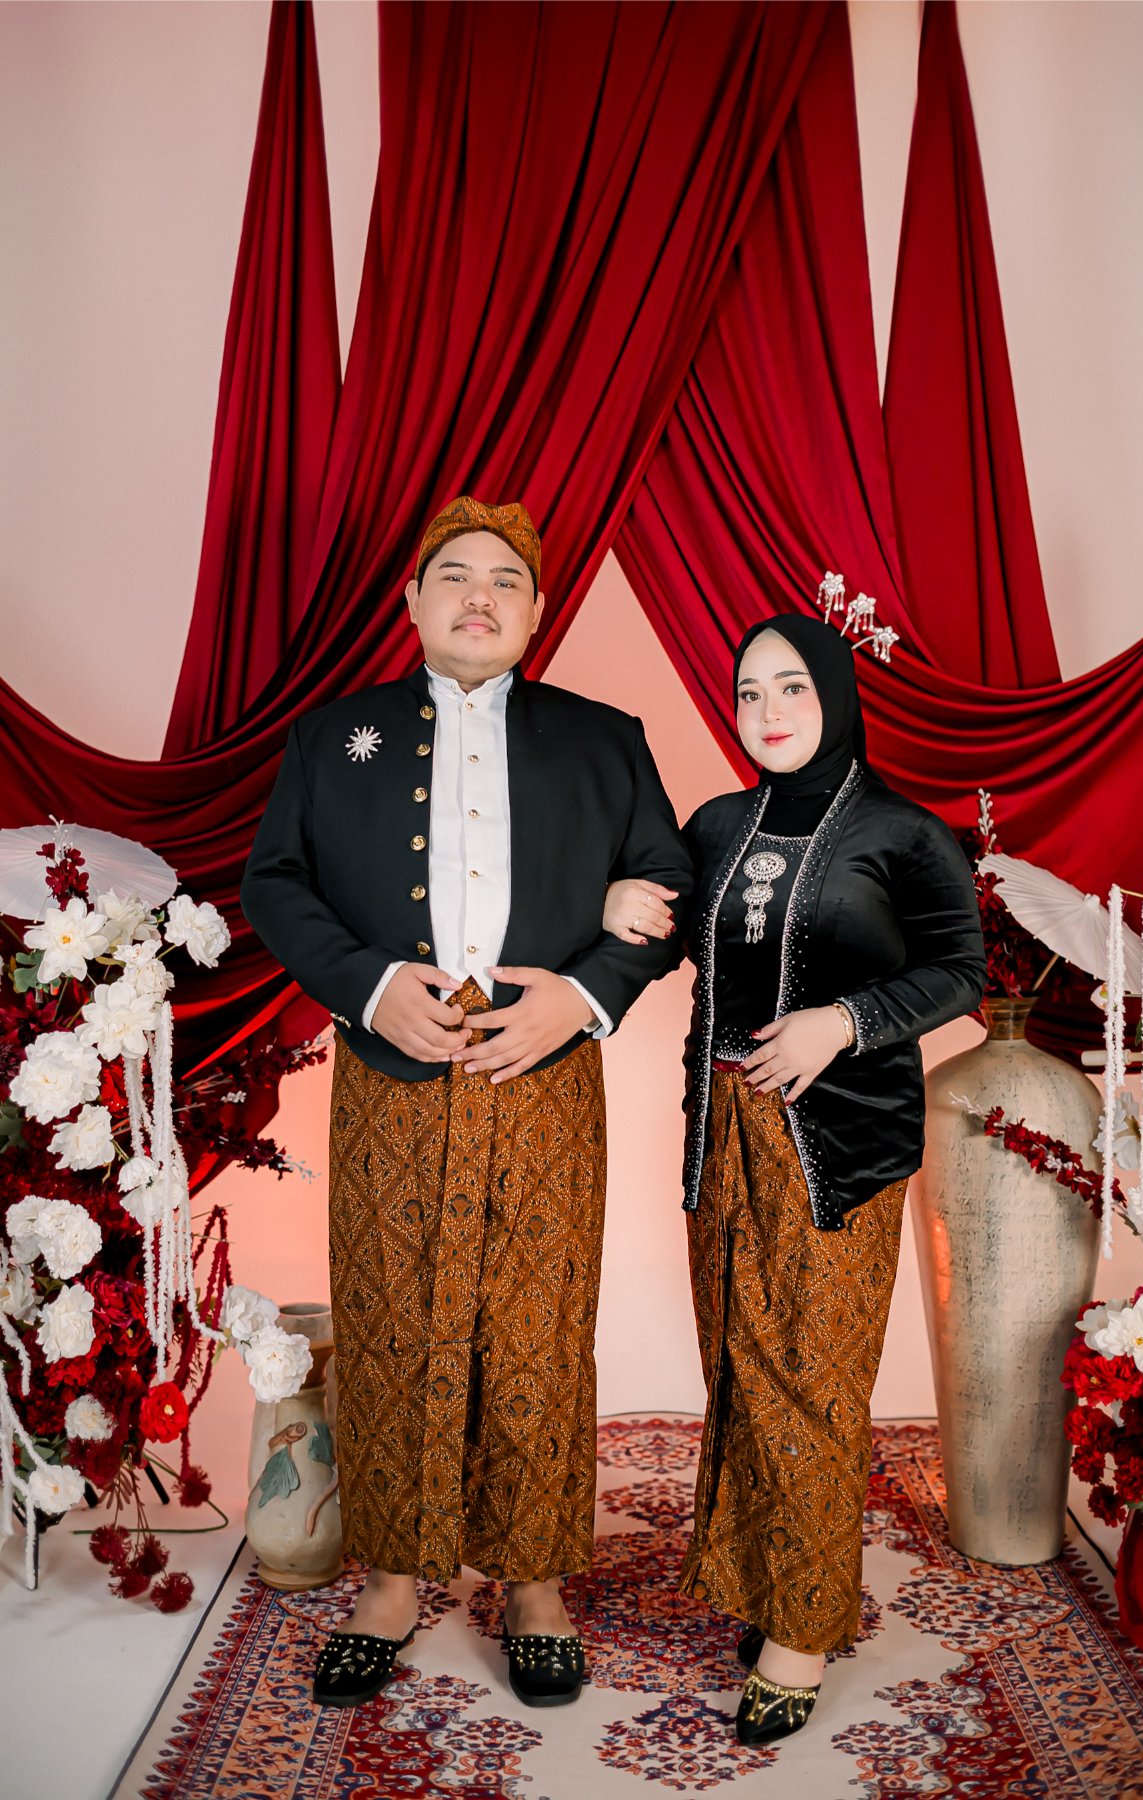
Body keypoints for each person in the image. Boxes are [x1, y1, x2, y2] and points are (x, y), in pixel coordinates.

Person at [242, 495, 692, 1710]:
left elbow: (665, 884)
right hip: (392, 1072)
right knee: (388, 1321)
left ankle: (535, 1585)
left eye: (506, 580)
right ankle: (393, 1581)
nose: (479, 596)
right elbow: (274, 881)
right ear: (412, 600)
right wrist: (369, 987)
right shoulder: (333, 736)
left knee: (539, 1323)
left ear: (537, 611)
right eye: (455, 575)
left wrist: (582, 1000)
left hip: (542, 1077)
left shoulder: (604, 738)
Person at [604, 614, 984, 1746]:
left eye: (792, 688)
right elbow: (663, 938)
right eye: (748, 692)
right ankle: (767, 1582)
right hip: (720, 1135)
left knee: (812, 1380)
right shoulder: (717, 826)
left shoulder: (902, 832)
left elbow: (958, 971)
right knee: (740, 1366)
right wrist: (616, 906)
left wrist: (844, 1022)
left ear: (834, 695)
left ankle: (805, 1628)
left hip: (839, 1145)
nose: (767, 712)